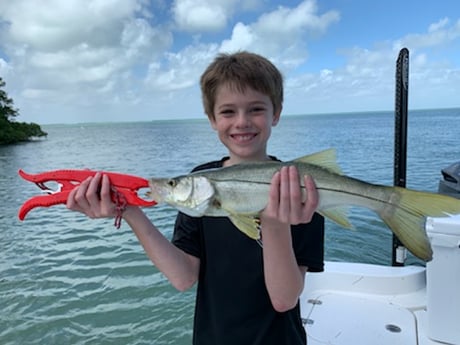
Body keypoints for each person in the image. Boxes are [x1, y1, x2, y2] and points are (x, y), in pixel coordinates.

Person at [67, 51, 325, 345]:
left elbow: (283, 300)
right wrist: (130, 212)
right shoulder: (199, 183)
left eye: (255, 109)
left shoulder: (300, 188)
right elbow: (183, 277)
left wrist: (275, 225)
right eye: (228, 112)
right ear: (212, 119)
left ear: (275, 113)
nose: (241, 122)